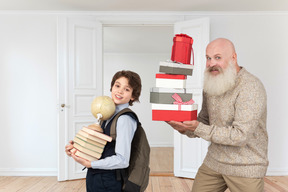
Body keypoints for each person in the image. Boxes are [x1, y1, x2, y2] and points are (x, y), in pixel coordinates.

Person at [167, 38, 268, 192]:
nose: (211, 63)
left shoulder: (251, 86)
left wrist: (198, 127)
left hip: (246, 166)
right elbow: (204, 122)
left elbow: (240, 135)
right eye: (208, 58)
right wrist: (183, 126)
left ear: (233, 57)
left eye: (217, 57)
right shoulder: (211, 83)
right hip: (215, 162)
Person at [65, 70, 142, 192]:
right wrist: (76, 149)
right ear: (111, 88)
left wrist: (91, 164)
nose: (120, 91)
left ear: (133, 96)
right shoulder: (108, 114)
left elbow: (122, 160)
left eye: (127, 89)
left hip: (109, 179)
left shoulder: (125, 119)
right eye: (117, 86)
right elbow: (101, 147)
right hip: (96, 175)